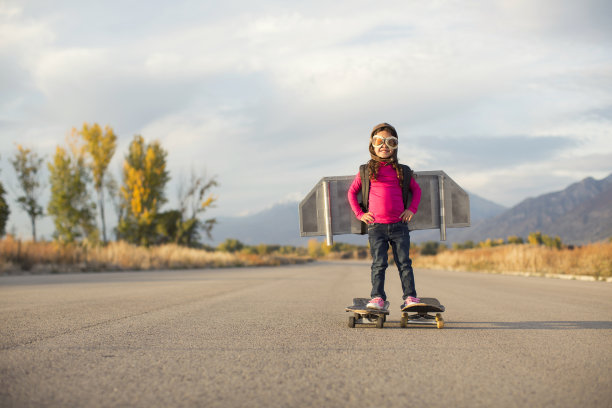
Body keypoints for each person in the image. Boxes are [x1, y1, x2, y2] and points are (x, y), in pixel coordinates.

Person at [347, 123, 422, 310]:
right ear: (372, 145)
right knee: (379, 264)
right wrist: (359, 214)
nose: (384, 146)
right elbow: (351, 192)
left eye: (390, 142)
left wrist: (411, 209)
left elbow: (417, 190)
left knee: (404, 263)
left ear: (396, 146)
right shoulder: (366, 170)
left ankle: (410, 298)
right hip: (376, 227)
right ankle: (377, 297)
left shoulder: (402, 170)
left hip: (399, 225)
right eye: (379, 141)